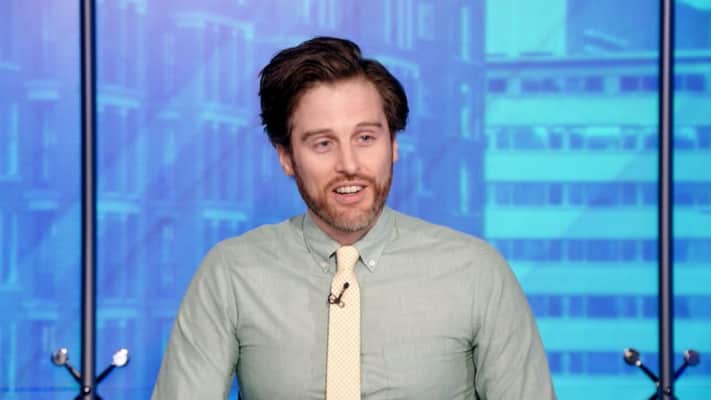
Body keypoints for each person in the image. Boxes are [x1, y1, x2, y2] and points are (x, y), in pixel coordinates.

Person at [152, 36, 555, 400]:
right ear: (286, 157)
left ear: (393, 144)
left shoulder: (477, 273)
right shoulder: (230, 273)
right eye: (322, 143)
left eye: (365, 138)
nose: (349, 164)